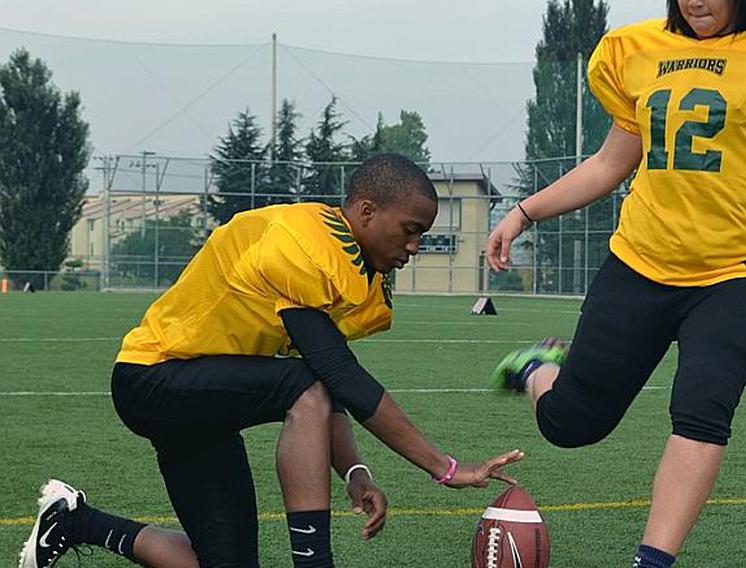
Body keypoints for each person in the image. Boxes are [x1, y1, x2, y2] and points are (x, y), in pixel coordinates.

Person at [487, 1, 746, 567]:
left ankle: (653, 560)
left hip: (736, 276)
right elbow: (610, 163)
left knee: (702, 409)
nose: (696, 0)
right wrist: (523, 212)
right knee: (570, 426)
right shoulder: (638, 50)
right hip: (638, 265)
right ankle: (540, 368)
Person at [20, 153, 524, 568]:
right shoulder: (305, 241)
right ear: (366, 211)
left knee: (222, 562)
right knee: (305, 386)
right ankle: (314, 562)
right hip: (154, 377)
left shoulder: (355, 270)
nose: (414, 247)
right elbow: (337, 379)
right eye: (409, 230)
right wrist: (445, 468)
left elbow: (325, 378)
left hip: (204, 404)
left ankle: (76, 521)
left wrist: (354, 473)